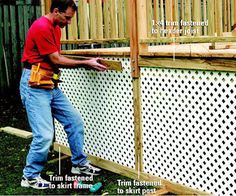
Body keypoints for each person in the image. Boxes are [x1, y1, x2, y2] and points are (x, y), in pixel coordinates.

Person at [19, 0, 106, 189]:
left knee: (74, 122)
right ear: (56, 11)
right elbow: (55, 58)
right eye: (67, 17)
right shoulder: (41, 27)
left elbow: (55, 60)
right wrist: (86, 63)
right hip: (34, 85)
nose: (69, 22)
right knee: (43, 135)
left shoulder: (56, 27)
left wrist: (86, 61)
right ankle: (30, 176)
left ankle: (78, 164)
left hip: (49, 83)